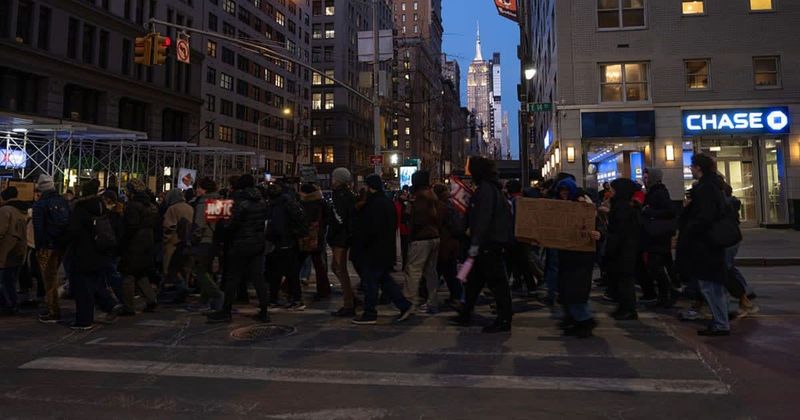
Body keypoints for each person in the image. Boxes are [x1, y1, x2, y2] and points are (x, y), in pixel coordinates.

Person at [451, 157, 514, 333]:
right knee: (474, 281)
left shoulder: (486, 190)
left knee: (496, 282)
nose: (467, 173)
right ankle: (466, 312)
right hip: (486, 243)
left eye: (469, 169)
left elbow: (483, 218)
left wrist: (476, 242)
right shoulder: (490, 189)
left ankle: (504, 319)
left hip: (487, 243)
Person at [678, 153, 730, 336]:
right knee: (712, 284)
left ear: (698, 167)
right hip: (710, 241)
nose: (691, 169)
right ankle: (720, 320)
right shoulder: (712, 186)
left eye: (692, 166)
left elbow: (704, 217)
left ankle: (721, 322)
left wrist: (690, 226)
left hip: (706, 242)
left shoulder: (706, 188)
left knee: (710, 284)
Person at [351, 175, 414, 325]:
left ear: (370, 186)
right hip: (384, 248)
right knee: (384, 280)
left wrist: (361, 243)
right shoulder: (386, 202)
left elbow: (370, 229)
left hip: (373, 250)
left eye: (365, 185)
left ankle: (370, 313)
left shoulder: (374, 204)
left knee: (371, 282)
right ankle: (404, 305)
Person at [207, 174, 271, 323]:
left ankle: (226, 310)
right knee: (258, 278)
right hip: (257, 243)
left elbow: (231, 224)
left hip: (241, 243)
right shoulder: (261, 200)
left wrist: (222, 228)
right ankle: (264, 311)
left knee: (232, 277)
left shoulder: (239, 201)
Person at [67, 180, 122, 330]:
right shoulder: (101, 207)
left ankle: (84, 320)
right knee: (95, 282)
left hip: (83, 252)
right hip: (100, 251)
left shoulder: (80, 208)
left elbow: (74, 232)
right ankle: (109, 304)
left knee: (82, 288)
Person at [553, 178, 603, 338]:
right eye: (561, 192)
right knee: (569, 290)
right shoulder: (560, 207)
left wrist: (598, 234)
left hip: (582, 256)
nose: (564, 194)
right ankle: (576, 319)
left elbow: (599, 226)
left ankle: (584, 320)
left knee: (576, 291)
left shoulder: (585, 206)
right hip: (567, 255)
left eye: (566, 191)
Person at [32, 174, 71, 323]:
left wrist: (39, 247)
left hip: (47, 246)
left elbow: (38, 228)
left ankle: (53, 311)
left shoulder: (40, 204)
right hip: (61, 244)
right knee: (54, 277)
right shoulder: (63, 200)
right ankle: (53, 308)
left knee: (49, 280)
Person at [119, 179, 159, 315]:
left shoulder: (132, 206)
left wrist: (122, 242)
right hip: (148, 242)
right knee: (141, 273)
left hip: (134, 244)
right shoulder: (151, 205)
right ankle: (151, 299)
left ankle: (128, 307)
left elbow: (130, 227)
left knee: (128, 275)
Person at [264, 182, 307, 310]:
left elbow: (278, 226)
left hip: (281, 242)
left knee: (277, 272)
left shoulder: (278, 206)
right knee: (291, 273)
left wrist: (270, 236)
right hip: (290, 242)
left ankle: (277, 299)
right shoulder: (289, 203)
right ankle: (294, 299)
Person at [403, 171, 441, 313]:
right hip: (434, 236)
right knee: (431, 271)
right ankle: (432, 301)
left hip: (421, 238)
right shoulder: (432, 195)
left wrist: (409, 211)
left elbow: (417, 218)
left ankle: (409, 303)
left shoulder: (420, 197)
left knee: (413, 270)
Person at [605, 178, 642, 321]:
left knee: (625, 280)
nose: (611, 192)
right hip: (625, 248)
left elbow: (619, 230)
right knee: (622, 279)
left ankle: (628, 309)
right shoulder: (623, 205)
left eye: (613, 189)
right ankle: (623, 307)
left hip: (624, 249)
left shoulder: (622, 207)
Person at [721, 179, 759, 317]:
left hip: (727, 240)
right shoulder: (730, 205)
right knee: (729, 268)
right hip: (731, 239)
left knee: (726, 269)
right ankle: (744, 294)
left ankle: (743, 297)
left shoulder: (724, 206)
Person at [640, 168, 677, 308]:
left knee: (655, 266)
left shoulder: (659, 192)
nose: (644, 179)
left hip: (658, 236)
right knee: (662, 265)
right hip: (655, 235)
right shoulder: (653, 191)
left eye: (647, 177)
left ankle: (666, 294)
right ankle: (669, 291)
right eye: (644, 177)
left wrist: (648, 212)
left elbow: (670, 211)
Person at [191, 177, 225, 312]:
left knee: (200, 270)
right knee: (208, 270)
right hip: (216, 240)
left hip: (205, 240)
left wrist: (194, 238)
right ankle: (205, 300)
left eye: (198, 187)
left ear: (203, 189)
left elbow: (200, 224)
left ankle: (216, 295)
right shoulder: (221, 202)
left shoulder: (203, 202)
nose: (197, 190)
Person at [328, 168, 357, 317]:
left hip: (340, 238)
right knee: (336, 267)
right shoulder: (346, 195)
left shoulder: (341, 196)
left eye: (333, 178)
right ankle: (350, 297)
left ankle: (349, 302)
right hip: (341, 236)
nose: (331, 180)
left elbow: (339, 219)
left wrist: (333, 234)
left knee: (340, 269)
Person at [298, 183, 331, 300]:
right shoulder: (322, 203)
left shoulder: (303, 204)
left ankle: (289, 287)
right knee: (318, 264)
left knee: (298, 263)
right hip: (318, 236)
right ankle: (323, 289)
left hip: (305, 236)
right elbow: (328, 218)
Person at [433, 184, 464, 305]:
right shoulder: (452, 204)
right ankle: (457, 295)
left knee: (445, 269)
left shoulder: (441, 206)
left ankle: (457, 296)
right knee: (449, 270)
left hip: (445, 242)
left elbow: (439, 223)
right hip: (452, 242)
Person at [505, 179, 537, 296]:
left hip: (514, 236)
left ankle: (524, 285)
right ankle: (527, 285)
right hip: (523, 235)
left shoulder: (512, 202)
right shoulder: (524, 200)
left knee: (513, 263)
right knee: (522, 263)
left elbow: (510, 220)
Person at [161, 188, 194, 302]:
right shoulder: (190, 207)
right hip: (189, 243)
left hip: (174, 243)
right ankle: (184, 292)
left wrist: (165, 240)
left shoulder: (172, 209)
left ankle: (181, 289)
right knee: (186, 269)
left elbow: (168, 227)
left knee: (172, 269)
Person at [0, 187, 28, 315]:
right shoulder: (22, 211)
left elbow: (1, 231)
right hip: (19, 249)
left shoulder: (6, 210)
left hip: (6, 251)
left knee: (4, 280)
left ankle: (7, 304)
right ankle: (12, 303)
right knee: (11, 280)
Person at [395, 188, 412, 267]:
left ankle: (404, 263)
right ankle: (405, 263)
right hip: (403, 227)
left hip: (402, 227)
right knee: (405, 247)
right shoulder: (405, 204)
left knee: (404, 247)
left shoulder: (398, 204)